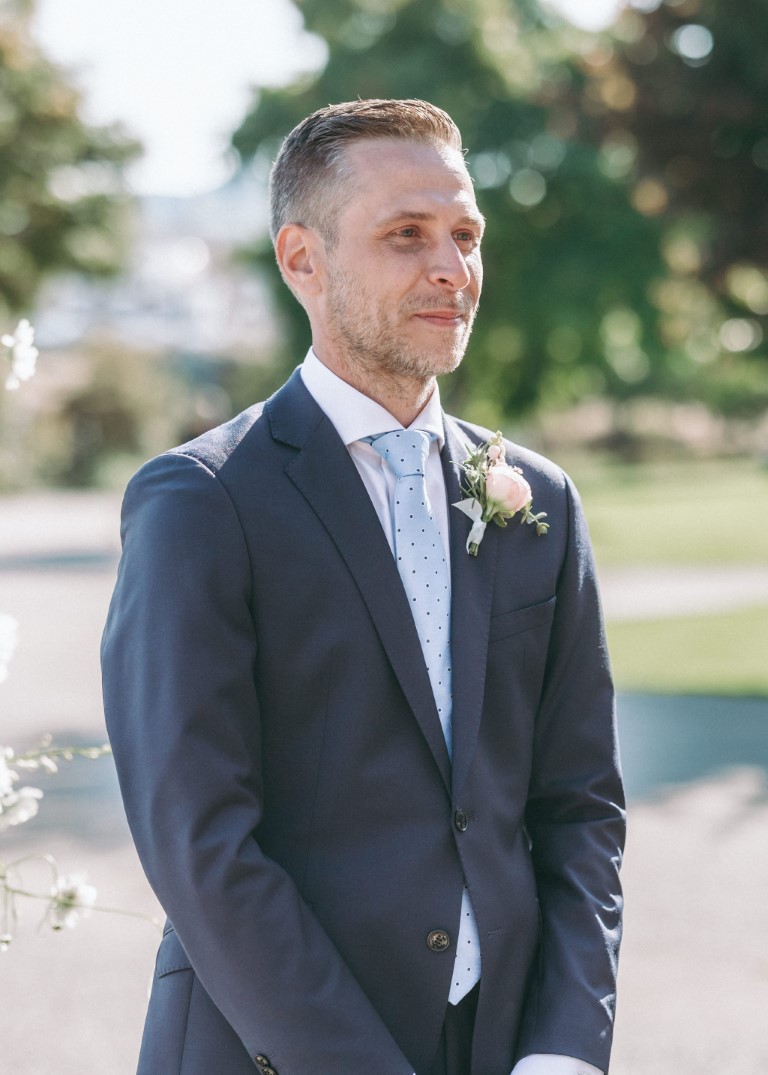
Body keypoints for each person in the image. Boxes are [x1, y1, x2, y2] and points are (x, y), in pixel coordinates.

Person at [102, 98, 625, 1075]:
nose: (451, 268)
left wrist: (563, 1050)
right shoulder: (200, 502)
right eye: (406, 236)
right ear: (303, 260)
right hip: (276, 1050)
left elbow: (581, 803)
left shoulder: (536, 500)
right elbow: (200, 841)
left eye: (465, 234)